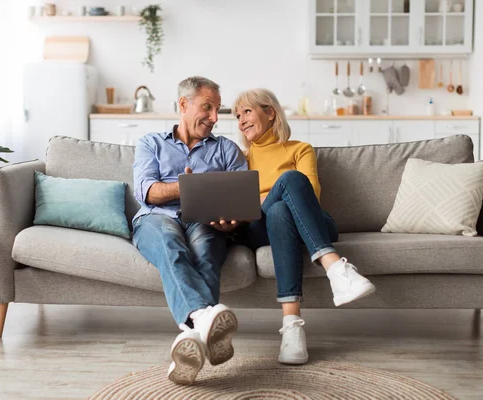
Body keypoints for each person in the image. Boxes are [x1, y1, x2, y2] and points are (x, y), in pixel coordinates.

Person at [233, 88, 376, 365]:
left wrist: (271, 195)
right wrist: (272, 193)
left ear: (270, 112)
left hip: (310, 220)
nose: (241, 120)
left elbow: (310, 194)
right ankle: (336, 268)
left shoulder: (300, 148)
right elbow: (242, 202)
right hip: (257, 227)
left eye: (247, 111)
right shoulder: (241, 157)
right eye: (237, 115)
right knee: (283, 191)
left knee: (281, 207)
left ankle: (292, 330)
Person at [132, 76, 247, 385]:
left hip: (204, 221)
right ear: (183, 105)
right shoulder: (150, 143)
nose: (213, 118)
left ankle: (191, 338)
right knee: (171, 246)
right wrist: (185, 188)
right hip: (157, 218)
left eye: (217, 110)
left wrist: (234, 218)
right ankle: (204, 318)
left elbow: (242, 195)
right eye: (207, 108)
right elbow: (146, 191)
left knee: (208, 252)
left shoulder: (226, 149)